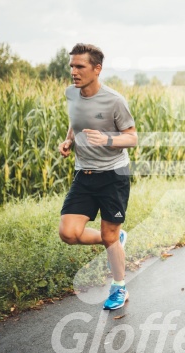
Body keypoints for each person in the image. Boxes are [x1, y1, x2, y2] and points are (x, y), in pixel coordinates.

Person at [58, 43, 138, 310]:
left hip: (113, 175)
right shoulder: (72, 94)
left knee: (109, 236)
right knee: (68, 233)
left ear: (97, 69)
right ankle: (115, 238)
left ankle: (119, 287)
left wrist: (107, 138)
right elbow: (76, 120)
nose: (74, 71)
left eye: (80, 66)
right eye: (71, 65)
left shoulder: (114, 100)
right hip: (84, 174)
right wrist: (68, 141)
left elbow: (132, 137)